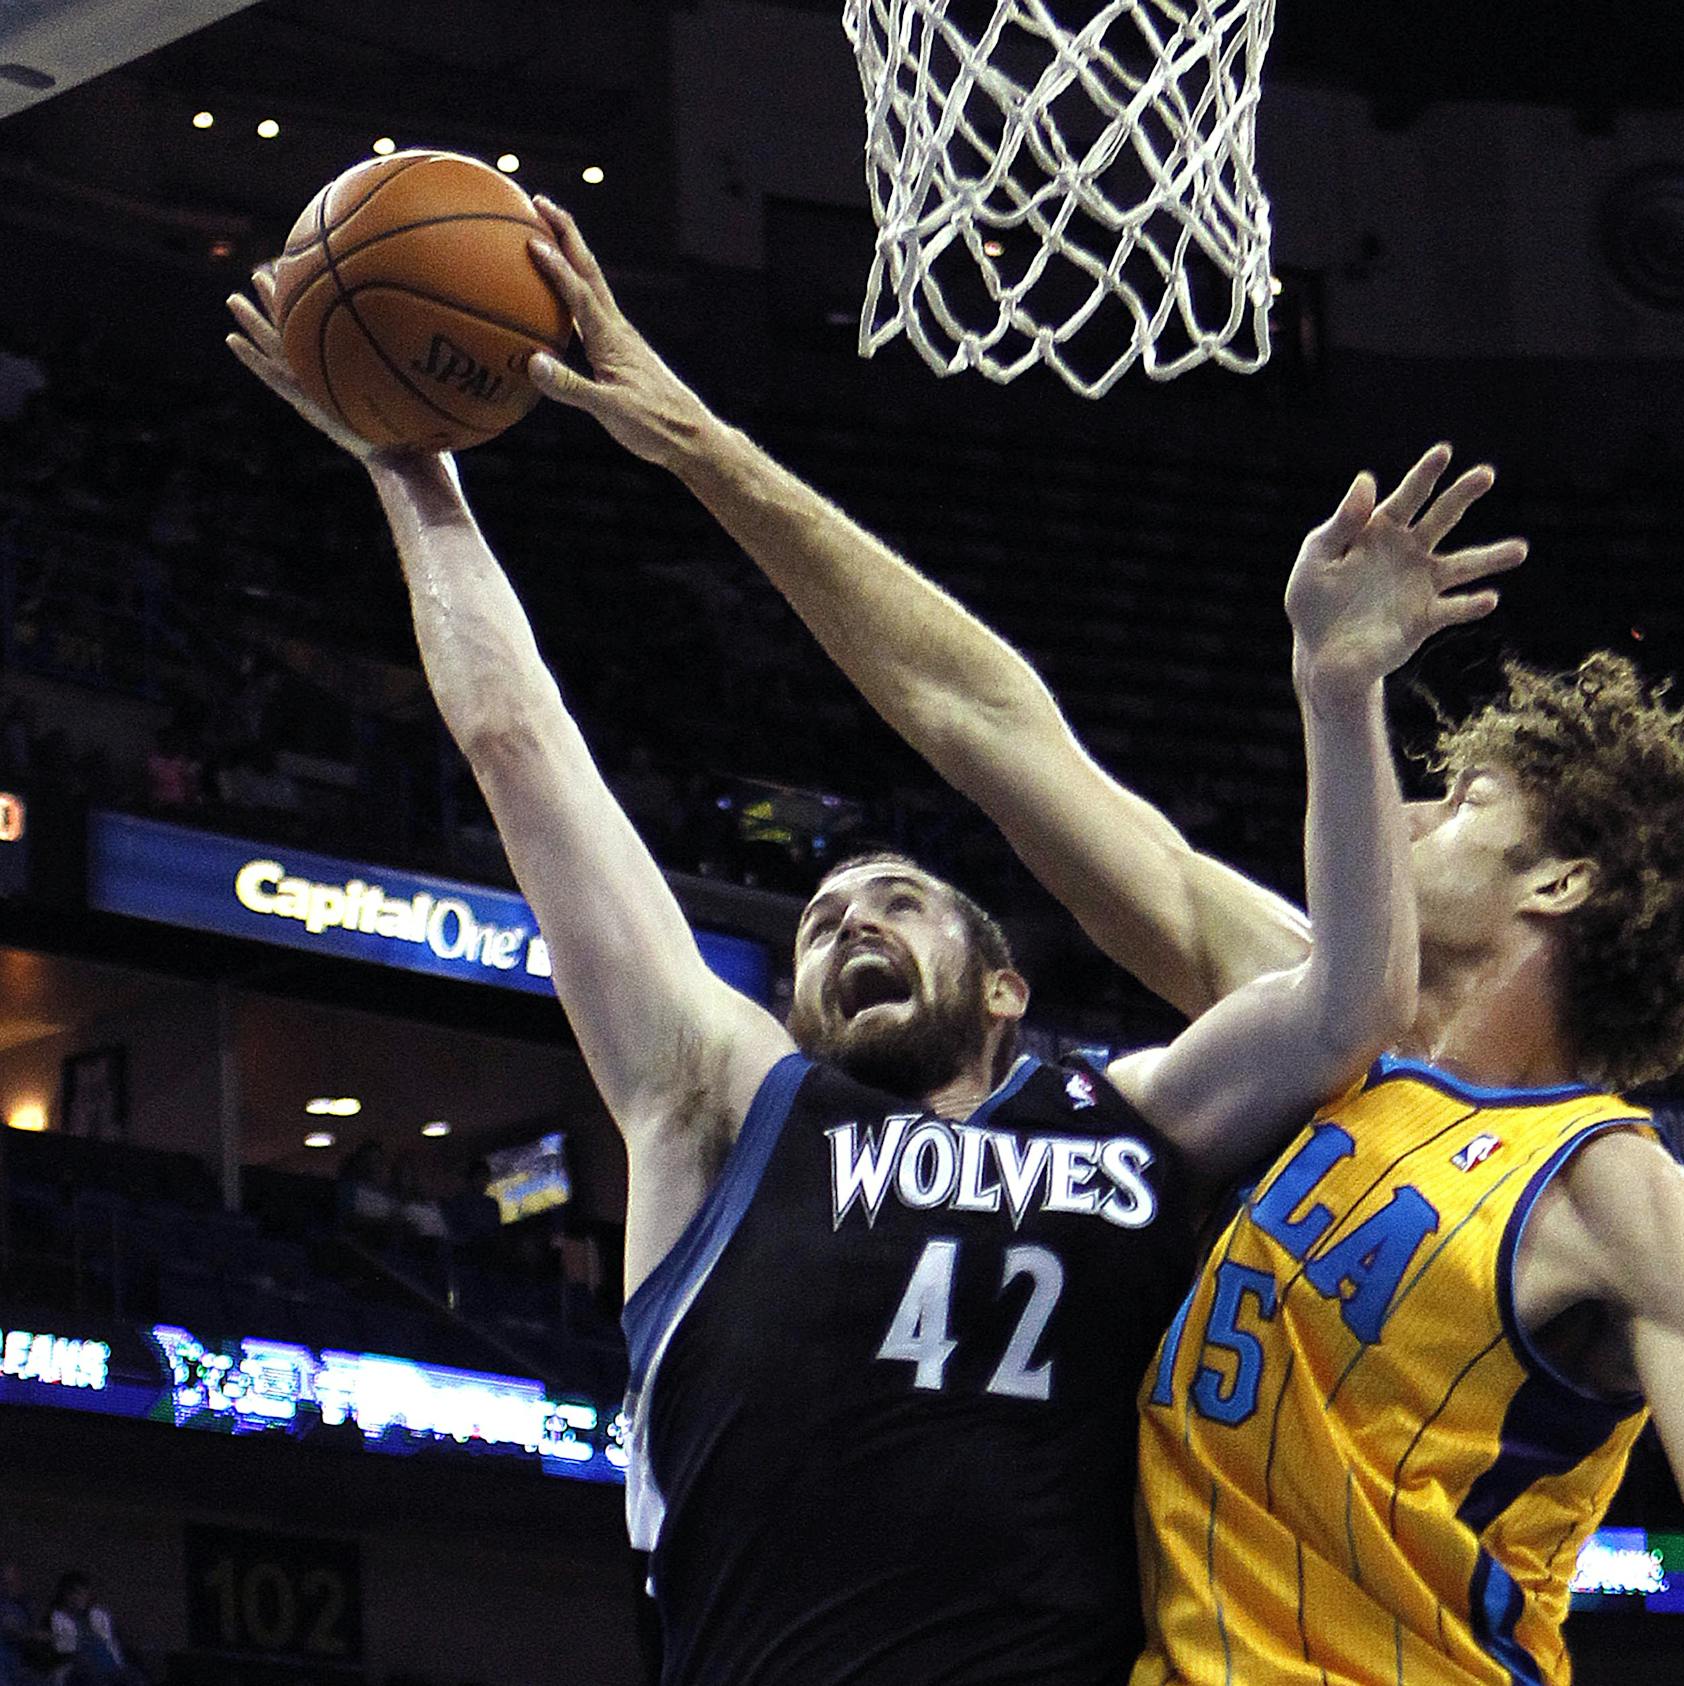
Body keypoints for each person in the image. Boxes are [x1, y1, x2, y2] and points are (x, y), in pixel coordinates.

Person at [515, 200, 1684, 1684]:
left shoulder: (1625, 1199)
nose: (1411, 816)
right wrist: (701, 444)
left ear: (1562, 886)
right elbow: (985, 719)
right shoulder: (1298, 1020)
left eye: (1467, 799)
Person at [224, 264, 1510, 1684]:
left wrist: (1338, 691)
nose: (848, 926)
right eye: (821, 930)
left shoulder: (1127, 1117)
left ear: (1004, 983)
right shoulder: (721, 1105)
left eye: (896, 902)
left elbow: (1353, 1001)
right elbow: (520, 746)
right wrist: (416, 478)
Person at [46, 1573, 141, 1686]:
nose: (82, 1598)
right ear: (66, 1595)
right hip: (82, 1672)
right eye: (77, 1594)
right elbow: (66, 1653)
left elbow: (112, 1644)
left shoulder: (98, 1615)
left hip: (113, 1670)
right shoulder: (58, 1618)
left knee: (136, 1677)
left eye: (84, 1594)